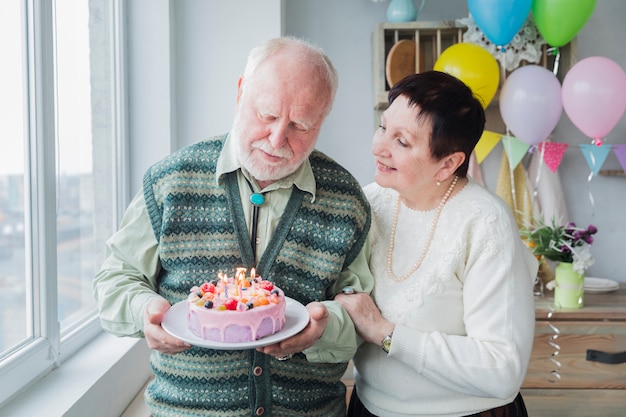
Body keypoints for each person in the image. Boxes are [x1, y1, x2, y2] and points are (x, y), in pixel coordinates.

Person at [93, 36, 373, 417]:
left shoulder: (346, 199)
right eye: (268, 116)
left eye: (300, 124)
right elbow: (114, 280)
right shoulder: (170, 181)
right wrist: (144, 311)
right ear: (241, 92)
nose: (278, 139)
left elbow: (361, 316)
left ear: (322, 119)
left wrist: (324, 329)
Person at [335, 71, 538, 417]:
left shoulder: (485, 221)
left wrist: (384, 333)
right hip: (369, 408)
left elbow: (502, 369)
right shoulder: (367, 202)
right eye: (383, 127)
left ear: (448, 163)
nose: (378, 147)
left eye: (402, 141)